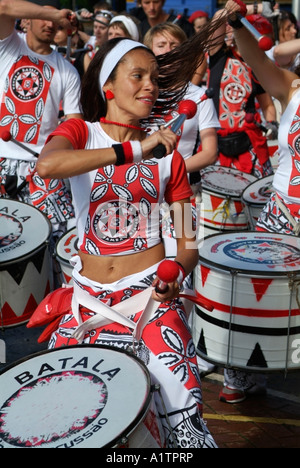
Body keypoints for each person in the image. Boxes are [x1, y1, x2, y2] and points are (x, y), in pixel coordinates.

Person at [30, 35, 223, 447]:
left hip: (149, 298)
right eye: (138, 75)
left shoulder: (170, 157)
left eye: (154, 77)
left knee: (184, 426)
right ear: (109, 87)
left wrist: (178, 272)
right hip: (87, 301)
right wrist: (133, 151)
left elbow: (188, 239)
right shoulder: (81, 131)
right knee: (59, 423)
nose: (150, 86)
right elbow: (49, 165)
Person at [214, 0, 300, 404]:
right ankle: (240, 375)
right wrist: (236, 22)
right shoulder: (292, 87)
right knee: (252, 293)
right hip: (281, 210)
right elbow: (255, 57)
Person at [0, 0, 82, 242]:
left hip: (42, 168)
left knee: (56, 239)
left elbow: (74, 124)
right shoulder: (9, 45)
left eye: (54, 20)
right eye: (43, 16)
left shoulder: (67, 70)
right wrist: (55, 13)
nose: (50, 23)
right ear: (28, 18)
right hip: (2, 161)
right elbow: (3, 6)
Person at [207, 5, 277, 178]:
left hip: (249, 143)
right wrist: (258, 7)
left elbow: (267, 104)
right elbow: (218, 17)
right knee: (217, 202)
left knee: (255, 199)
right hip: (216, 144)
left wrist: (271, 124)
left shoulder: (258, 66)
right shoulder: (218, 55)